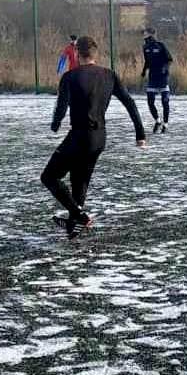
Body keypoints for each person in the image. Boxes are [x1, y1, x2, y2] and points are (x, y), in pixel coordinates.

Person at [42, 36, 147, 238]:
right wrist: (140, 134)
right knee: (79, 180)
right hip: (99, 138)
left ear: (77, 54)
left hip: (79, 135)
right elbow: (129, 102)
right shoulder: (109, 75)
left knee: (49, 176)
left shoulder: (70, 77)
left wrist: (55, 124)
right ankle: (74, 225)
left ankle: (79, 216)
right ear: (95, 54)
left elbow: (61, 107)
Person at [140, 28, 174, 133]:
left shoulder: (161, 45)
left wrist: (165, 68)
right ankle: (158, 121)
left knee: (165, 101)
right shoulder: (145, 48)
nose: (143, 35)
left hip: (162, 77)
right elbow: (147, 61)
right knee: (150, 102)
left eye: (145, 33)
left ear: (151, 35)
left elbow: (169, 59)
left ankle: (166, 124)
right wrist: (144, 71)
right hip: (152, 77)